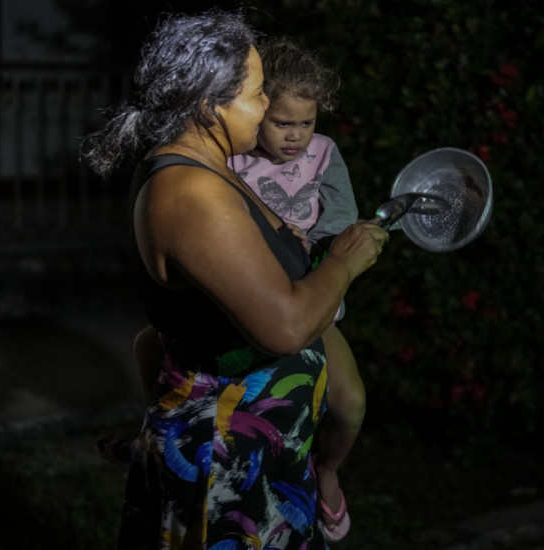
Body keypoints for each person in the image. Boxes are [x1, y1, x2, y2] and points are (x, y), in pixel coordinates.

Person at [82, 9, 388, 550]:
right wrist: (342, 261)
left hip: (263, 449)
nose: (268, 105)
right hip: (228, 464)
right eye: (257, 94)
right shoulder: (191, 194)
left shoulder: (212, 168)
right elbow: (285, 327)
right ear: (210, 106)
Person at [230, 36, 364, 543]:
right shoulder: (235, 160)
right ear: (258, 111)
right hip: (251, 304)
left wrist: (319, 243)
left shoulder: (324, 153)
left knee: (351, 403)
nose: (295, 136)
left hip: (313, 304)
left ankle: (327, 470)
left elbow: (342, 219)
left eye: (306, 123)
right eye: (282, 123)